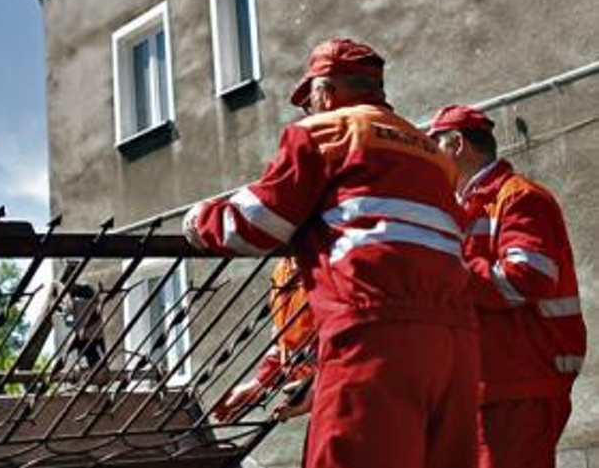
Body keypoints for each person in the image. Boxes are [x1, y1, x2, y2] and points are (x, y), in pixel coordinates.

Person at [183, 38, 479, 468]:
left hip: (374, 335)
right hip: (456, 342)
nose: (309, 110)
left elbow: (257, 223)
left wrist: (199, 220)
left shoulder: (325, 132)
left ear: (326, 90)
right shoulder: (432, 153)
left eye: (310, 100)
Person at [428, 105, 586, 468]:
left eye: (433, 146)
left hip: (522, 377)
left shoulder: (518, 197)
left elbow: (525, 278)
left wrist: (444, 269)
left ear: (456, 144)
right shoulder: (470, 206)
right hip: (496, 380)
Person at [213, 257, 315, 423]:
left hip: (347, 398)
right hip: (320, 402)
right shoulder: (282, 269)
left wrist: (316, 389)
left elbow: (356, 348)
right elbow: (284, 343)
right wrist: (257, 384)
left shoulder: (331, 269)